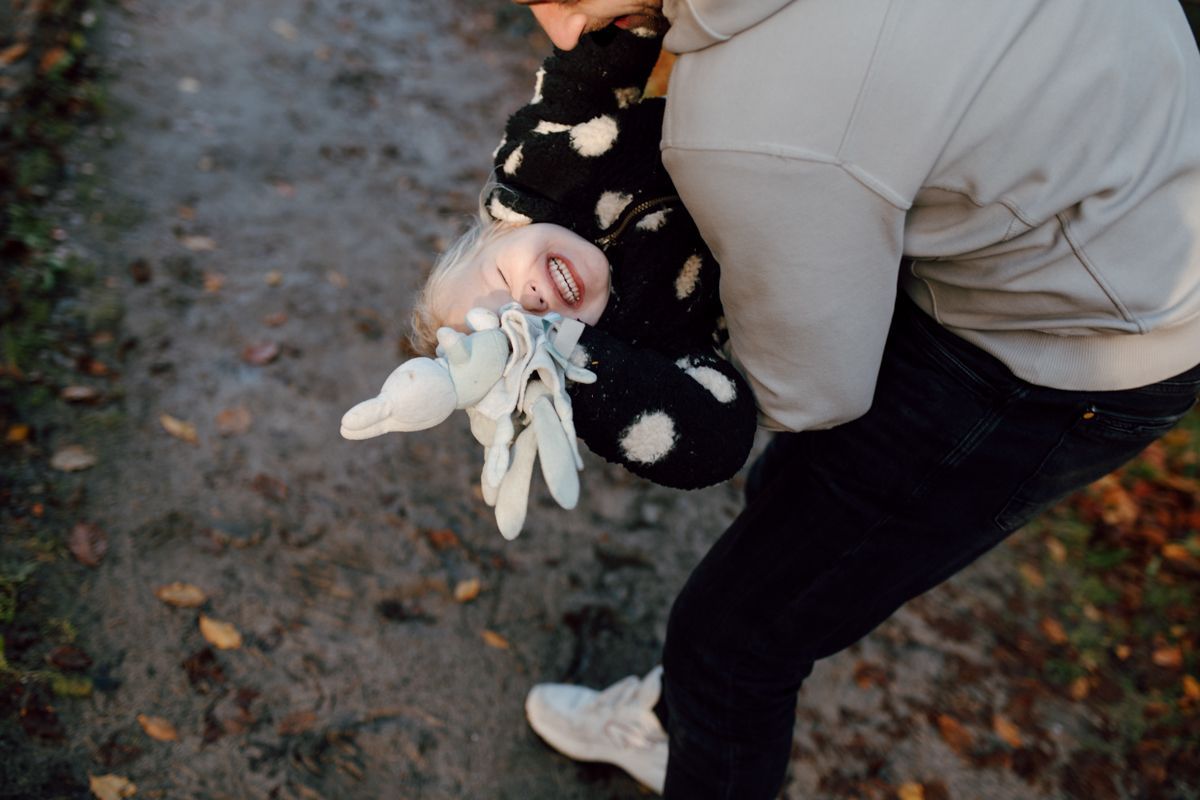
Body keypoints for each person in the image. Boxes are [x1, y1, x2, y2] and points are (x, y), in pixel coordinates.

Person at [512, 0, 1200, 797]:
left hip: (1075, 344)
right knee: (794, 506)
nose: (563, 33)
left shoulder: (751, 128)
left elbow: (811, 391)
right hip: (1131, 184)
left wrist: (652, 361)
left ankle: (697, 738)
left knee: (733, 643)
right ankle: (675, 724)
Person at [407, 25, 757, 492]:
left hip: (752, 93)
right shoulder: (647, 339)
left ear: (499, 230)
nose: (531, 301)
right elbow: (717, 445)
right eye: (532, 329)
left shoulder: (539, 165)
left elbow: (596, 56)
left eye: (502, 278)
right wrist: (572, 364)